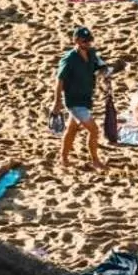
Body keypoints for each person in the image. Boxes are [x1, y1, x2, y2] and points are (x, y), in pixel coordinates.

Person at [52, 27, 108, 170]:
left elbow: (101, 67)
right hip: (74, 100)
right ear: (76, 41)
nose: (88, 43)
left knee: (71, 129)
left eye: (90, 40)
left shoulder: (92, 53)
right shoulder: (69, 59)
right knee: (94, 130)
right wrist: (56, 102)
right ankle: (95, 160)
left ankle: (63, 158)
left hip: (86, 98)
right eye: (85, 41)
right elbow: (59, 80)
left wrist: (103, 73)